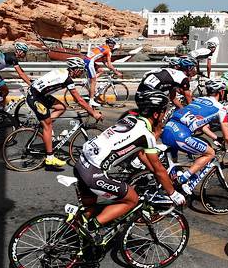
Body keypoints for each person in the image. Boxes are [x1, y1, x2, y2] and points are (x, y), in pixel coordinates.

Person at [75, 90, 185, 241]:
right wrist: (173, 193)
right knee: (132, 199)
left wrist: (154, 172)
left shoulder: (130, 119)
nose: (165, 115)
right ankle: (92, 228)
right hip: (93, 173)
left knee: (89, 209)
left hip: (81, 164)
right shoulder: (146, 135)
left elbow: (140, 153)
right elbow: (159, 169)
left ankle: (74, 235)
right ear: (156, 114)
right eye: (164, 112)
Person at [161, 79, 228, 194]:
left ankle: (174, 176)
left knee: (176, 162)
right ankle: (182, 180)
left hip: (168, 129)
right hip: (180, 136)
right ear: (221, 92)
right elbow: (227, 136)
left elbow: (200, 124)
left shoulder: (198, 100)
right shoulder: (220, 109)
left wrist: (216, 138)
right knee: (210, 153)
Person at [27, 57, 102, 168]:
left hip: (40, 94)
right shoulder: (67, 79)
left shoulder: (63, 72)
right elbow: (79, 99)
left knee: (61, 107)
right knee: (48, 126)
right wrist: (93, 113)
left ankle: (44, 125)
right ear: (75, 69)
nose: (81, 73)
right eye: (81, 70)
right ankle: (50, 158)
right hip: (35, 97)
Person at [0, 42, 31, 106]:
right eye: (24, 52)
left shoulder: (12, 56)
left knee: (0, 93)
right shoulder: (13, 58)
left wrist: (30, 80)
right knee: (5, 91)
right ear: (20, 51)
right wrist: (30, 84)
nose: (25, 54)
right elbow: (21, 74)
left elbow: (22, 72)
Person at [85, 38, 123, 107]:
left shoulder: (103, 47)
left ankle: (88, 81)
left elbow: (104, 61)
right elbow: (109, 64)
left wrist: (110, 68)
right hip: (90, 62)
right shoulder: (108, 51)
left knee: (101, 70)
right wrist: (116, 72)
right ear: (111, 45)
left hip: (87, 59)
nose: (114, 47)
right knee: (94, 81)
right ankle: (91, 101)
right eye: (113, 45)